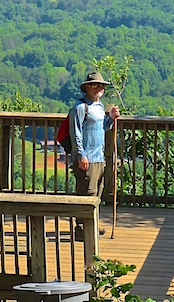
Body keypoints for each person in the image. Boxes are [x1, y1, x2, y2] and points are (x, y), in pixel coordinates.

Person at [70, 71, 120, 242]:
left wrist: (111, 118)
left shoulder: (99, 107)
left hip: (99, 157)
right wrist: (81, 155)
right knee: (86, 193)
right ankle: (81, 229)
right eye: (95, 85)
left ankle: (92, 225)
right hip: (86, 159)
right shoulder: (79, 107)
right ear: (87, 88)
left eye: (102, 86)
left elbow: (103, 127)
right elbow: (75, 133)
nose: (99, 88)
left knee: (97, 193)